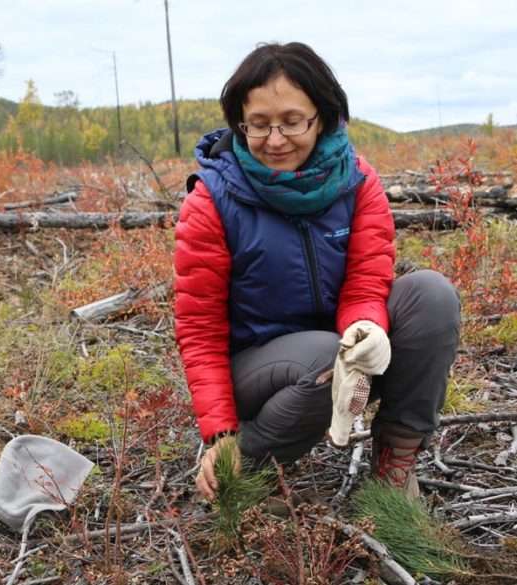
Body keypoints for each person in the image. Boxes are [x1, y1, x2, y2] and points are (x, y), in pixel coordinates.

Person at [173, 42, 460, 501]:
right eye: (259, 125)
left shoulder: (357, 181)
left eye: (292, 121)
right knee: (326, 354)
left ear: (323, 116)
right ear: (239, 122)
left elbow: (367, 280)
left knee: (431, 296)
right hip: (256, 367)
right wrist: (220, 431)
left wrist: (366, 330)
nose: (275, 139)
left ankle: (394, 467)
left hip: (335, 348)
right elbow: (200, 329)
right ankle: (241, 465)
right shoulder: (211, 201)